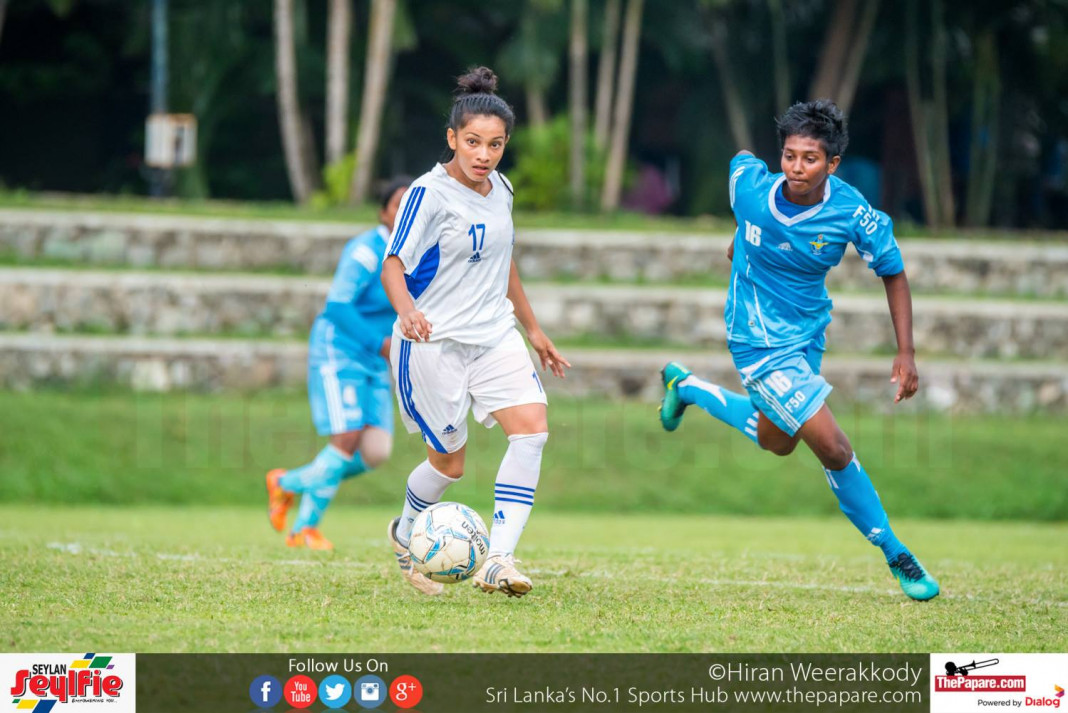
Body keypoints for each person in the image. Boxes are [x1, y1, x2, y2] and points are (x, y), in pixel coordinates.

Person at [659, 100, 940, 601]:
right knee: (833, 446)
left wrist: (907, 352)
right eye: (789, 156)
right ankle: (896, 552)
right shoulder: (750, 192)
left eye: (810, 158)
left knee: (777, 441)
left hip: (808, 333)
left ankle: (688, 387)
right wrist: (741, 235)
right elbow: (742, 159)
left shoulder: (852, 211)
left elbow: (893, 272)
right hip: (756, 339)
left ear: (832, 164)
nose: (795, 168)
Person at [380, 67, 570, 598]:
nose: (484, 155)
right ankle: (404, 532)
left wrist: (532, 329)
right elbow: (392, 265)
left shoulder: (502, 189)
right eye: (472, 143)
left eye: (495, 144)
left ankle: (500, 559)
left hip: (493, 335)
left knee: (531, 430)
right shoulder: (427, 194)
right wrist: (408, 312)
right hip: (432, 344)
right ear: (452, 139)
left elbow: (502, 262)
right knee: (449, 465)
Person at [265, 177, 411, 550]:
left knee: (375, 452)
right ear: (383, 213)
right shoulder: (366, 250)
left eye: (413, 205)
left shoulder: (421, 253)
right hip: (341, 350)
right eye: (398, 205)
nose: (406, 212)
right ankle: (305, 528)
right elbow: (338, 305)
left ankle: (286, 484)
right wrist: (380, 343)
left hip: (377, 357)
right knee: (345, 437)